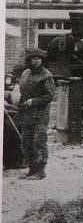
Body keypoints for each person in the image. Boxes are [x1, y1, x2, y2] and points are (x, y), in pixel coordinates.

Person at [17, 49, 56, 180]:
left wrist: (33, 101)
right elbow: (22, 92)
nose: (35, 61)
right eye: (32, 58)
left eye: (38, 58)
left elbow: (49, 96)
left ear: (42, 60)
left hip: (40, 114)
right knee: (26, 141)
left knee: (38, 140)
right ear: (28, 60)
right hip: (26, 113)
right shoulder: (25, 74)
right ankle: (31, 169)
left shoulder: (47, 76)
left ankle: (40, 171)